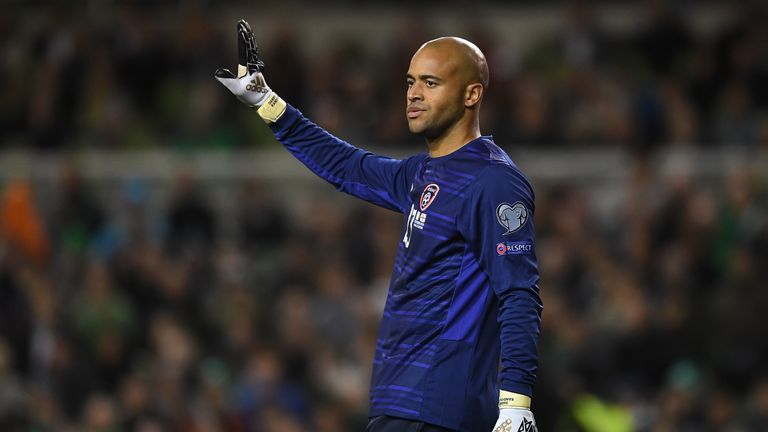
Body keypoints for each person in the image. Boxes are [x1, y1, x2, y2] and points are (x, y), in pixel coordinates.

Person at [216, 20, 542, 432]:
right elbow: (347, 165)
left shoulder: (493, 181)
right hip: (401, 399)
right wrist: (267, 102)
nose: (414, 93)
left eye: (430, 82)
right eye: (410, 82)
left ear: (471, 94)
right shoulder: (422, 173)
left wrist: (515, 402)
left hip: (440, 403)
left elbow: (519, 293)